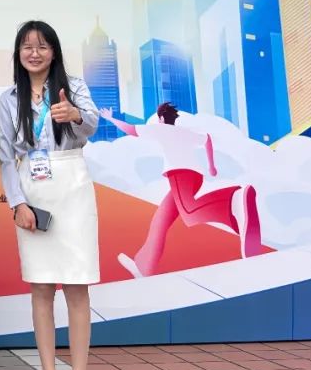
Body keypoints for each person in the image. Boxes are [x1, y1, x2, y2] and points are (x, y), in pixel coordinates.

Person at [0, 20, 100, 370]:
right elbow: (6, 156)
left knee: (77, 286)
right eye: (27, 46)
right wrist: (17, 203)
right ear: (18, 53)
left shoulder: (74, 87)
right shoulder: (10, 98)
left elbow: (91, 127)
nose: (34, 53)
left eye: (42, 46)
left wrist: (74, 114)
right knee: (41, 287)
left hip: (72, 186)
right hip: (33, 192)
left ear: (54, 51)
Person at [105, 103, 265, 278]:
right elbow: (207, 139)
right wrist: (211, 166)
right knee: (160, 220)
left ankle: (231, 201)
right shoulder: (183, 132)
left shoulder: (160, 129)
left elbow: (130, 129)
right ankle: (143, 266)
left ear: (161, 118)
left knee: (189, 213)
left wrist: (110, 118)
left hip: (180, 175)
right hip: (194, 177)